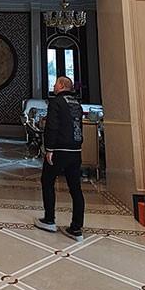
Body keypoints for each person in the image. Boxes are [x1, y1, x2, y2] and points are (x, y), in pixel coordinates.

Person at [34, 76, 85, 241]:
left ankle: (49, 219)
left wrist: (49, 148)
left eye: (56, 83)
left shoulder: (56, 102)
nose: (54, 86)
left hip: (59, 150)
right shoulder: (76, 103)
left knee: (47, 181)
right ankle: (76, 228)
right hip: (75, 150)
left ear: (62, 85)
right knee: (75, 188)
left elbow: (52, 126)